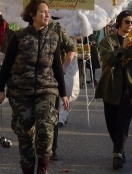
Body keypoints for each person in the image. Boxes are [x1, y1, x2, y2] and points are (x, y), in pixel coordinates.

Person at [0, 0, 69, 174]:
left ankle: (43, 166)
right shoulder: (19, 36)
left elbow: (57, 66)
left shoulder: (54, 36)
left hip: (47, 89)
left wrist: (63, 93)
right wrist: (0, 90)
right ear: (32, 15)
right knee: (25, 134)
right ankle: (27, 169)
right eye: (42, 11)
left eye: (48, 11)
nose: (47, 15)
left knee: (45, 128)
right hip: (20, 91)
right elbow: (7, 64)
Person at [95, 10, 132, 170]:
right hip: (111, 85)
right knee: (112, 122)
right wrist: (123, 47)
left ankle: (117, 153)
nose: (130, 25)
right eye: (127, 22)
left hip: (128, 86)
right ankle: (120, 149)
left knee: (124, 121)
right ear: (119, 23)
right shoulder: (108, 40)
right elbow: (108, 58)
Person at [47, 19, 76, 161]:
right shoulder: (25, 29)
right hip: (30, 81)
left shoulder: (55, 28)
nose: (45, 15)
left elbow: (71, 48)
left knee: (52, 114)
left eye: (46, 12)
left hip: (52, 78)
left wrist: (64, 66)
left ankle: (52, 149)